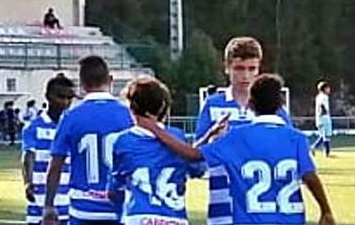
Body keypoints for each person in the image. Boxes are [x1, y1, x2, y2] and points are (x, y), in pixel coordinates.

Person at [136, 74, 336, 225]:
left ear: (250, 103)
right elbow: (310, 177)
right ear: (281, 105)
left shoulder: (236, 137)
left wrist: (153, 127)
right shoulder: (297, 139)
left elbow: (193, 155)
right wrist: (325, 210)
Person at [194, 36, 291, 225]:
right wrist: (214, 142)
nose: (246, 76)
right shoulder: (212, 105)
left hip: (266, 210)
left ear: (259, 68)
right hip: (224, 210)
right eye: (239, 68)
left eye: (251, 69)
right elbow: (196, 164)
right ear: (227, 67)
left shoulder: (274, 109)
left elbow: (289, 155)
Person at [44, 56, 134, 225]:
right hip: (120, 207)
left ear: (82, 84)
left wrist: (48, 205)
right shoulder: (128, 115)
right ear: (110, 80)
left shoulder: (71, 117)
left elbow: (55, 165)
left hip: (84, 208)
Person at [107, 77, 206, 225]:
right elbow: (198, 169)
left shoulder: (124, 141)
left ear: (131, 108)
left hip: (138, 217)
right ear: (162, 107)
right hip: (173, 218)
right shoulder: (177, 137)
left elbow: (114, 189)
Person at [23, 74, 76, 225]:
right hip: (40, 197)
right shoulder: (34, 127)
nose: (65, 102)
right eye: (61, 97)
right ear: (48, 96)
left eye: (69, 98)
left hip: (69, 198)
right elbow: (28, 155)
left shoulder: (73, 126)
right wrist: (28, 182)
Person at [312, 81, 333, 157]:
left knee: (323, 135)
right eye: (328, 88)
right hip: (323, 118)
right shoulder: (323, 97)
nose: (329, 89)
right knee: (325, 135)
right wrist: (323, 113)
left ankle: (314, 147)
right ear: (324, 89)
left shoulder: (319, 97)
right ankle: (327, 152)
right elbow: (321, 106)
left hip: (322, 117)